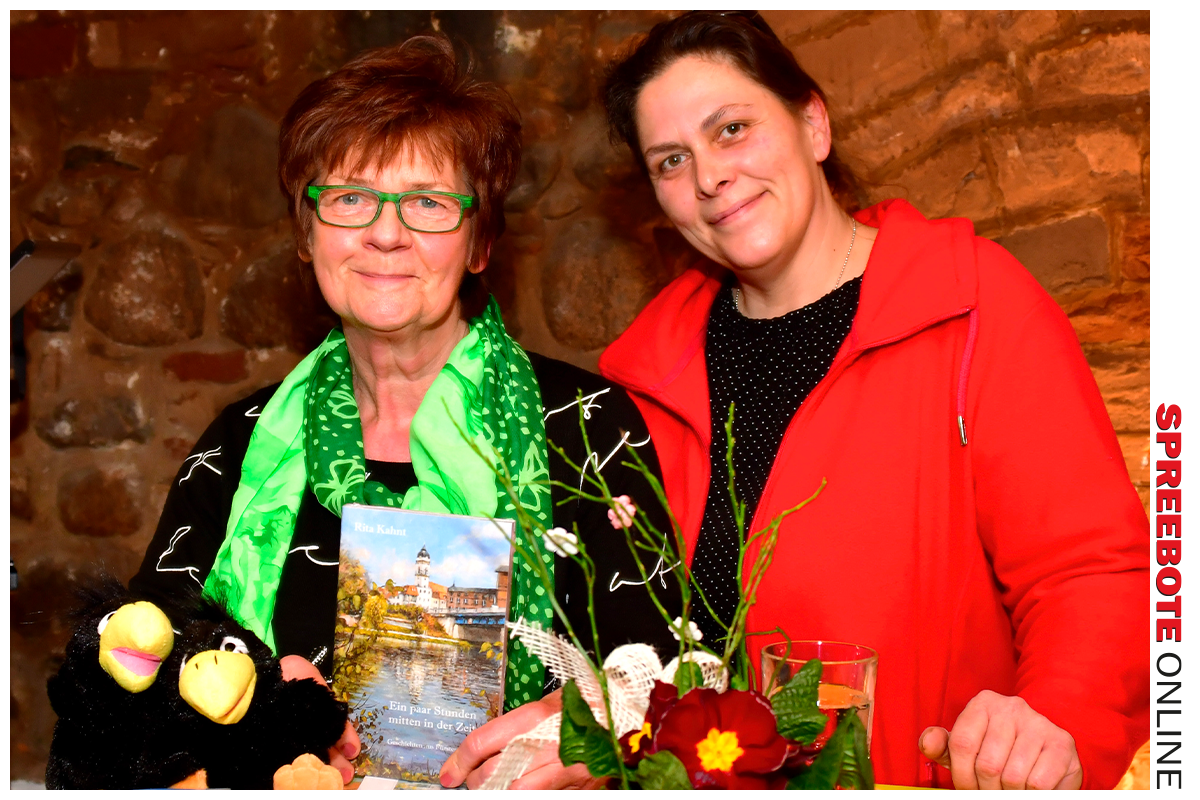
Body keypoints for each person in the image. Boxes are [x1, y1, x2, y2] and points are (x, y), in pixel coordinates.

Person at [589, 10, 1147, 791]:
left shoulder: (974, 305)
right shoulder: (638, 383)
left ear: (813, 124)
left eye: (732, 129)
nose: (708, 177)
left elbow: (1090, 571)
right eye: (672, 160)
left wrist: (1054, 716)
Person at [130, 34, 677, 788]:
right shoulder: (237, 446)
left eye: (428, 203)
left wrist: (597, 726)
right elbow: (130, 664)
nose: (386, 234)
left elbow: (671, 670)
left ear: (480, 243)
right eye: (350, 198)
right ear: (307, 233)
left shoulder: (585, 425)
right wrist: (251, 699)